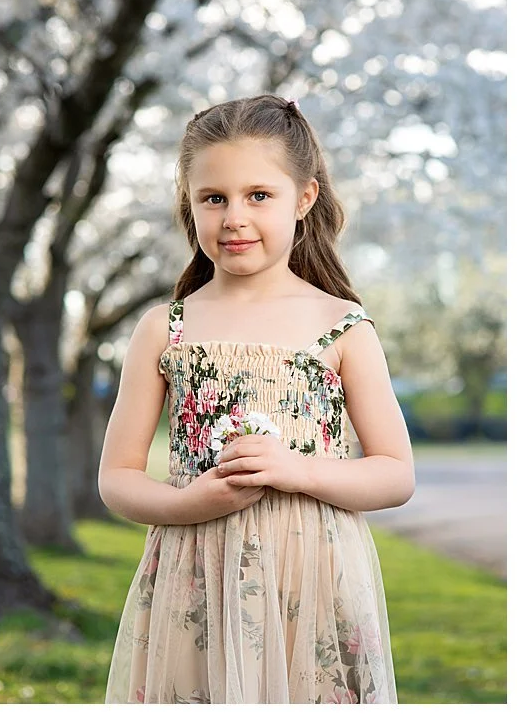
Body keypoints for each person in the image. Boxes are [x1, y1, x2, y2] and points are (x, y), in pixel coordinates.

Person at [99, 95, 414, 704]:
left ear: (303, 198)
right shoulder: (165, 329)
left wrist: (299, 471)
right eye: (213, 198)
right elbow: (117, 478)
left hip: (313, 579)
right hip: (198, 574)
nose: (234, 217)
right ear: (189, 208)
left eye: (258, 196)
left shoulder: (342, 327)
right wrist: (190, 502)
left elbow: (395, 475)